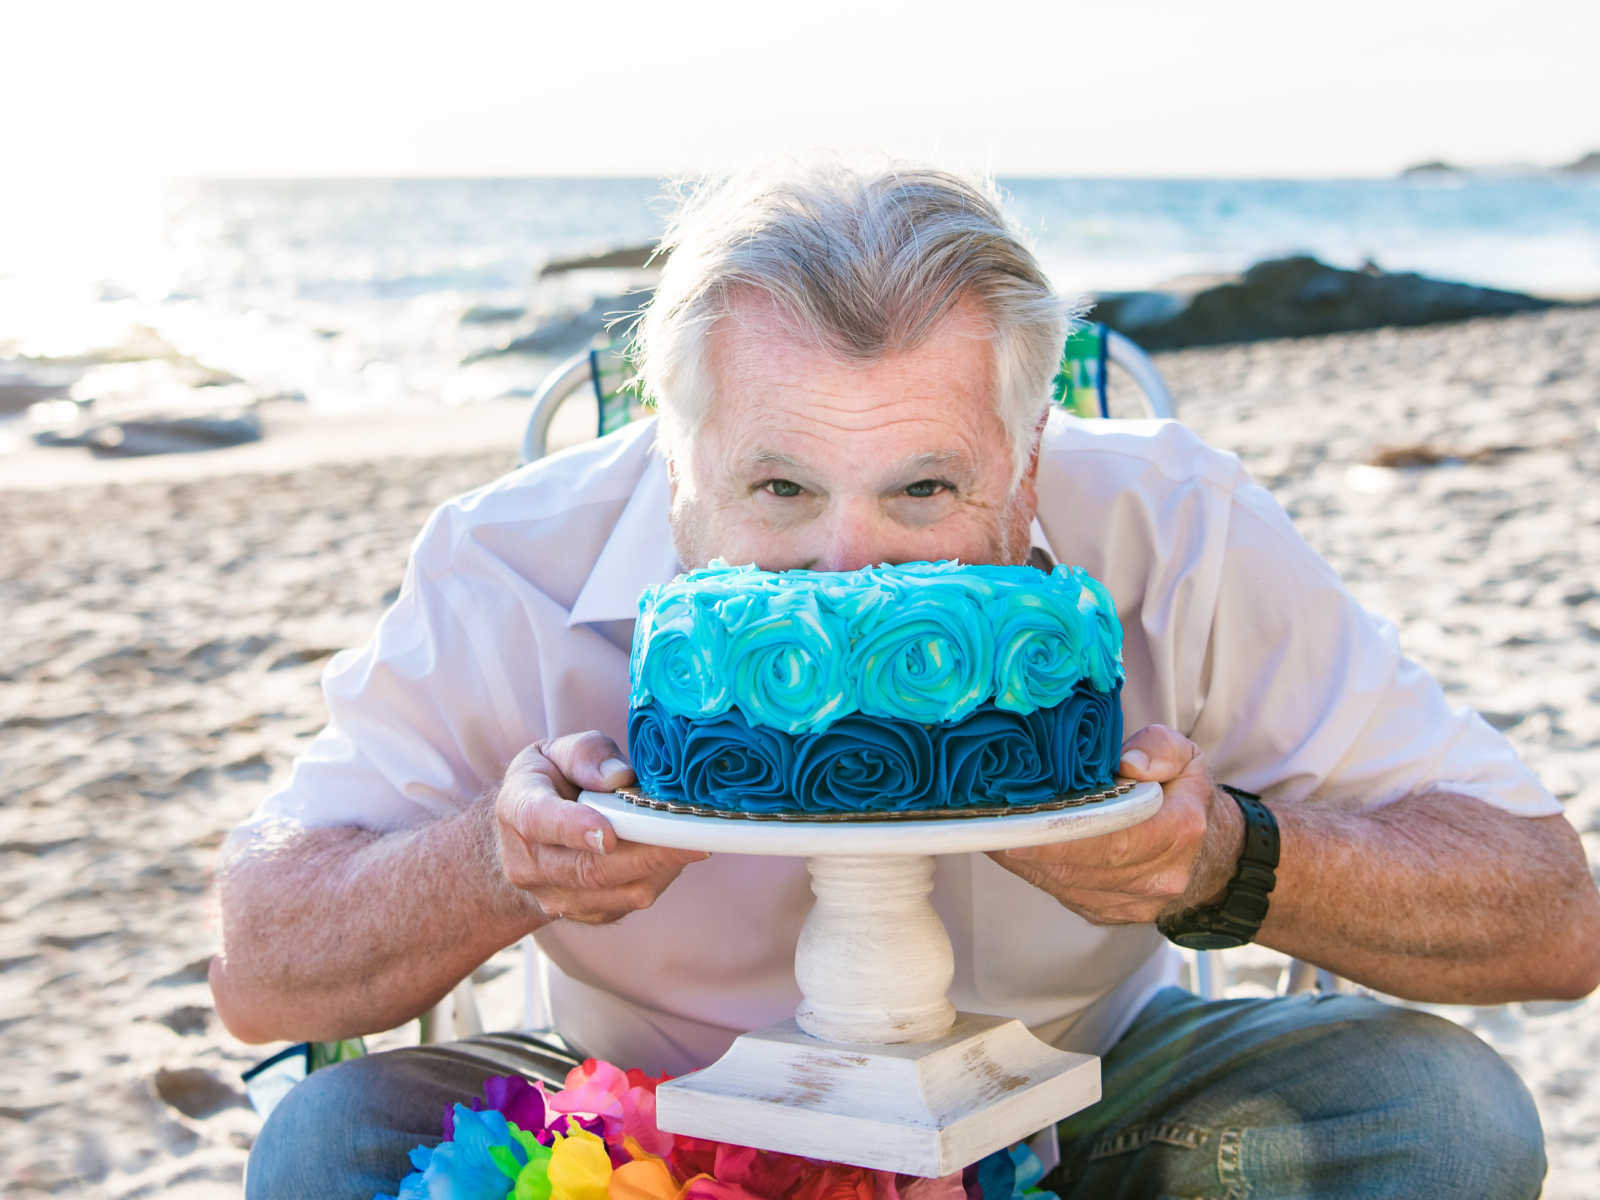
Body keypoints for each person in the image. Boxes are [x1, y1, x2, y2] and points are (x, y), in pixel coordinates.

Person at [214, 159, 1600, 1199]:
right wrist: (499, 864)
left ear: (1032, 461)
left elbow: (1549, 915)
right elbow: (261, 972)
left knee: (1442, 1110)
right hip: (643, 1118)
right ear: (675, 468)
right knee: (335, 1139)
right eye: (778, 487)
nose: (846, 565)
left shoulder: (1178, 525)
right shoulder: (509, 562)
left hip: (1093, 1112)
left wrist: (1222, 860)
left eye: (927, 488)